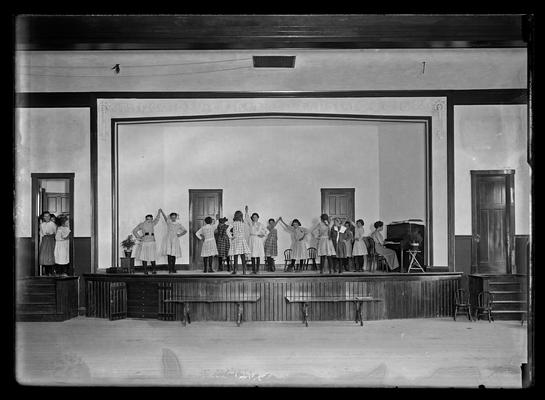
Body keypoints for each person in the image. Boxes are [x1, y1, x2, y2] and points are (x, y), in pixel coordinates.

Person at [132, 209, 161, 274]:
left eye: (150, 219)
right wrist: (139, 237)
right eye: (148, 219)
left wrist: (159, 212)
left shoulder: (153, 223)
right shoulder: (142, 224)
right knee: (144, 256)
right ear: (145, 219)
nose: (149, 221)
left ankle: (154, 270)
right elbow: (134, 231)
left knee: (152, 256)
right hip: (145, 242)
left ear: (152, 219)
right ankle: (145, 270)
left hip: (152, 242)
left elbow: (157, 219)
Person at [245, 206, 268, 274]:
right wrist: (246, 211)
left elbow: (267, 231)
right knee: (252, 254)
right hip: (252, 239)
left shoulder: (260, 224)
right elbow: (247, 218)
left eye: (256, 217)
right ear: (252, 218)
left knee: (257, 254)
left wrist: (263, 235)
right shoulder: (250, 223)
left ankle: (257, 270)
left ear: (258, 218)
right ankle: (253, 270)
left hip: (258, 240)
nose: (255, 218)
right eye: (253, 217)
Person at [228, 210, 251, 275]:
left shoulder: (233, 223)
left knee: (235, 255)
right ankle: (244, 270)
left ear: (235, 216)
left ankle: (235, 270)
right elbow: (247, 219)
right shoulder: (243, 223)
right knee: (242, 255)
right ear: (241, 216)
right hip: (242, 240)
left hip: (235, 240)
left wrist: (231, 237)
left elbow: (227, 230)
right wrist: (246, 211)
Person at [39, 211, 57, 276]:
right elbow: (41, 234)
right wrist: (40, 243)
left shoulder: (53, 224)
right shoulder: (41, 225)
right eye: (45, 216)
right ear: (43, 217)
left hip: (51, 240)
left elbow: (55, 233)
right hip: (44, 240)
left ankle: (51, 272)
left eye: (48, 216)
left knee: (51, 255)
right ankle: (46, 273)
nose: (47, 217)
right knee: (45, 256)